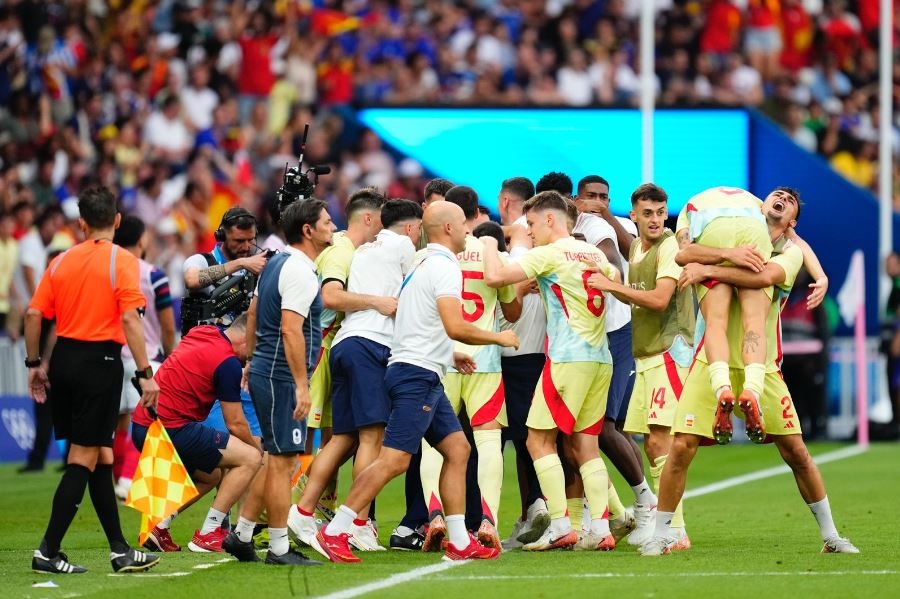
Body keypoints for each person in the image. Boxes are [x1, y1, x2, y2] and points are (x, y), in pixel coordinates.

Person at [642, 187, 858, 556]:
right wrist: (721, 255)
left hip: (764, 367)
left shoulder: (790, 253)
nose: (781, 199)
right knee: (681, 447)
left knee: (797, 452)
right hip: (709, 360)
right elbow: (685, 252)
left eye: (789, 201)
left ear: (791, 223)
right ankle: (662, 534)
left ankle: (831, 536)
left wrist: (707, 268)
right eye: (777, 194)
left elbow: (763, 277)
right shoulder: (732, 235)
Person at [310, 201, 518, 563]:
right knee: (394, 461)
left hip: (420, 370)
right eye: (464, 226)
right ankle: (335, 530)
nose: (469, 232)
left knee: (458, 450)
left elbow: (412, 319)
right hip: (416, 375)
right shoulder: (442, 266)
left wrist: (450, 355)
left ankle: (459, 539)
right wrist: (499, 338)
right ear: (450, 229)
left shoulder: (421, 262)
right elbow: (455, 326)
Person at [24, 186, 161, 574]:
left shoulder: (60, 261)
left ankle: (119, 550)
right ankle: (47, 550)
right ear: (117, 221)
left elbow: (34, 316)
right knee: (83, 457)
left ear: (81, 223)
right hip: (100, 362)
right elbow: (130, 319)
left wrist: (36, 364)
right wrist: (145, 373)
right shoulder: (124, 260)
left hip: (65, 359)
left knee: (101, 455)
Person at [483, 190, 619, 552]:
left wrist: (486, 239)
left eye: (530, 224)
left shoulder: (548, 254)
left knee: (537, 440)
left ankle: (560, 525)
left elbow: (495, 276)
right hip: (600, 358)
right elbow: (615, 275)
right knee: (586, 445)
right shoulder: (591, 251)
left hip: (567, 358)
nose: (528, 232)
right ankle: (601, 528)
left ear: (549, 220)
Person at [288, 199, 423, 552]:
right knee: (371, 439)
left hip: (345, 344)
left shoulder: (359, 249)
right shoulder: (396, 246)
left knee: (342, 438)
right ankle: (359, 523)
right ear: (411, 228)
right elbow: (413, 293)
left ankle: (302, 511)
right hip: (370, 344)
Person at [585, 183, 695, 551]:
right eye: (647, 213)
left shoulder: (669, 248)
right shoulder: (635, 246)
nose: (655, 219)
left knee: (665, 441)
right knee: (651, 444)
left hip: (669, 351)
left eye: (660, 212)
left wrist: (611, 287)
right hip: (645, 354)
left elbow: (662, 300)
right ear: (633, 216)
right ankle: (660, 520)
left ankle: (673, 529)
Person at [235, 198, 336, 566]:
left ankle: (242, 533)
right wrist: (301, 385)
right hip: (281, 376)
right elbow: (291, 328)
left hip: (267, 368)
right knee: (284, 461)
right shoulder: (300, 271)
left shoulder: (275, 262)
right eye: (326, 222)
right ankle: (278, 547)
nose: (332, 226)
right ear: (307, 230)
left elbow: (252, 311)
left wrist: (249, 360)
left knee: (275, 457)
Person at [421, 185, 521, 549]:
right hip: (485, 362)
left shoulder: (430, 257)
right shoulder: (490, 254)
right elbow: (512, 312)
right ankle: (489, 520)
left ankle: (434, 515)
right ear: (471, 215)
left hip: (441, 358)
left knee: (433, 443)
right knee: (489, 439)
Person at [132, 315, 263, 557]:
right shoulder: (229, 363)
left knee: (210, 473)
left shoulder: (203, 332)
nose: (253, 358)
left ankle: (159, 525)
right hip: (168, 429)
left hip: (142, 424)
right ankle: (210, 532)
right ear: (246, 340)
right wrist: (257, 448)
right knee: (250, 458)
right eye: (256, 348)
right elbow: (234, 422)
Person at [573, 174, 657, 547]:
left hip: (618, 333)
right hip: (583, 339)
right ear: (576, 198)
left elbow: (631, 254)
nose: (597, 201)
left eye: (604, 197)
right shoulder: (567, 225)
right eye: (591, 196)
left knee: (605, 426)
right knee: (600, 429)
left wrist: (606, 217)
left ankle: (645, 502)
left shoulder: (614, 225)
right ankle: (613, 512)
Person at [675, 186, 774, 445]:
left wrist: (722, 256)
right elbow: (789, 237)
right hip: (754, 233)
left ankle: (722, 389)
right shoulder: (756, 201)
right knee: (754, 323)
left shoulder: (690, 206)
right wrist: (820, 278)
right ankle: (752, 391)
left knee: (715, 323)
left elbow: (684, 254)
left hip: (713, 233)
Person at [494, 176, 552, 548]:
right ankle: (537, 507)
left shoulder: (502, 246)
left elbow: (510, 309)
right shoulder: (546, 244)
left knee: (483, 441)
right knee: (533, 438)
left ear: (504, 201)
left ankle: (477, 518)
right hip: (537, 356)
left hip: (494, 356)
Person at [112, 215, 176, 501]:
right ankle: (128, 480)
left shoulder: (109, 270)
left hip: (112, 357)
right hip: (146, 359)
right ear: (141, 239)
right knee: (148, 424)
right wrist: (170, 354)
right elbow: (166, 325)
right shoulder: (153, 275)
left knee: (120, 425)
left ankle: (117, 478)